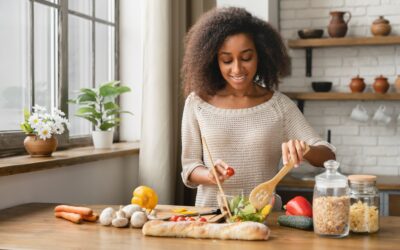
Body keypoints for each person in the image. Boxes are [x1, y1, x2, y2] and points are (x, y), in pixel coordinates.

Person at [180, 7, 335, 208]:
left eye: (246, 58)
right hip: (212, 218)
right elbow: (189, 167)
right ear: (213, 60)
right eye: (226, 60)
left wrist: (305, 149)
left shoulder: (278, 106)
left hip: (266, 220)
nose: (237, 69)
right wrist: (209, 175)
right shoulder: (197, 103)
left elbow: (328, 156)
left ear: (260, 55)